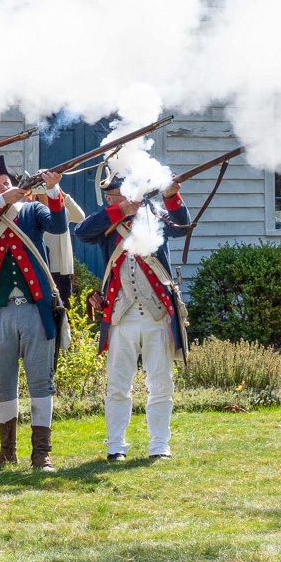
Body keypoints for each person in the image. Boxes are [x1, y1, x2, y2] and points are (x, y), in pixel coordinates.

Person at [0, 155, 67, 471]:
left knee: (40, 382)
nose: (6, 186)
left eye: (7, 182)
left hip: (35, 309)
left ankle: (41, 453)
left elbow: (58, 225)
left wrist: (53, 192)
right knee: (4, 384)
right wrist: (2, 201)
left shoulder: (32, 210)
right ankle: (7, 451)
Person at [77, 165, 191, 461]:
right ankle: (115, 445)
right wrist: (120, 210)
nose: (110, 202)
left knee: (161, 383)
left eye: (116, 196)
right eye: (110, 197)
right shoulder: (108, 223)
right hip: (120, 317)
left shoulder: (154, 214)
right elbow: (82, 232)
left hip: (157, 315)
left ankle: (159, 445)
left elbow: (182, 226)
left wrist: (171, 195)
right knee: (118, 384)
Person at [36, 188, 87, 306]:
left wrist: (62, 194)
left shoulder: (61, 210)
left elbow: (80, 217)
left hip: (61, 269)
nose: (44, 190)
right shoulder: (32, 210)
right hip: (40, 267)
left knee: (64, 309)